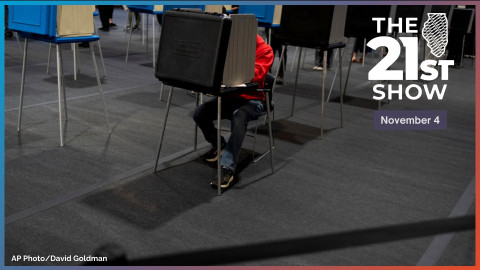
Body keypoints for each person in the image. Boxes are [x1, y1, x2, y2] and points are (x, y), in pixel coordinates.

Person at [193, 34, 274, 189]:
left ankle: (227, 167)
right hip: (230, 97)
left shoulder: (265, 50)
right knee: (199, 114)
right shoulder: (233, 46)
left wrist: (228, 72)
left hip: (253, 100)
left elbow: (255, 75)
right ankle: (220, 145)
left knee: (239, 116)